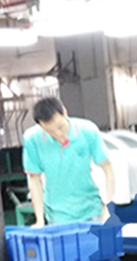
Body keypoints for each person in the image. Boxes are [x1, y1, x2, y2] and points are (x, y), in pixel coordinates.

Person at [22, 97, 114, 227]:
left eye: (60, 127)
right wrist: (39, 219)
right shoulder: (32, 139)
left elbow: (108, 169)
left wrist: (108, 207)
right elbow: (34, 179)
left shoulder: (88, 130)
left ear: (65, 112)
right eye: (50, 132)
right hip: (56, 216)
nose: (58, 134)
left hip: (91, 210)